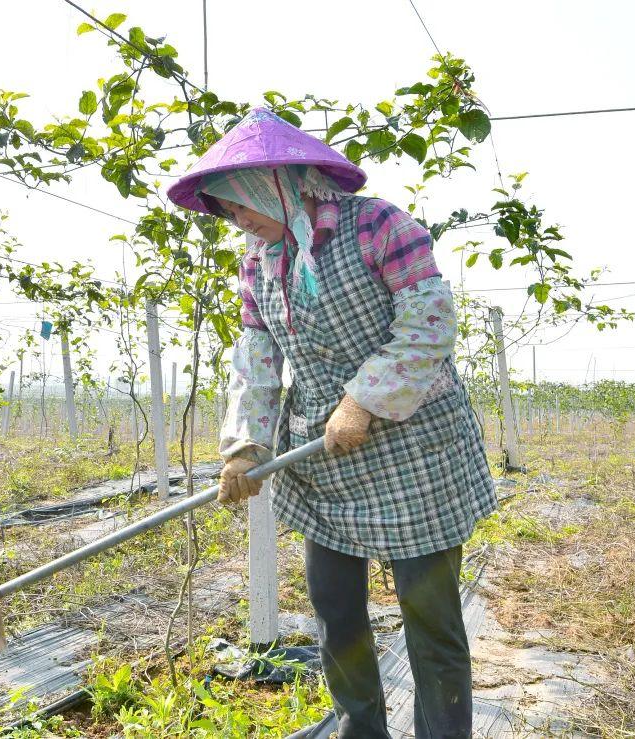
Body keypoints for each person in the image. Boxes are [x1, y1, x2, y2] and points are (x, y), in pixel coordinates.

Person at [167, 107, 497, 738]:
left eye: (239, 207)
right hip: (323, 456)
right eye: (230, 214)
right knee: (336, 614)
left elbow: (430, 321)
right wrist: (244, 444)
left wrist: (365, 398)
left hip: (415, 450)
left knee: (431, 623)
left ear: (275, 183)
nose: (239, 222)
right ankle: (360, 729)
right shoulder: (259, 262)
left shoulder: (380, 226)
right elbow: (257, 357)